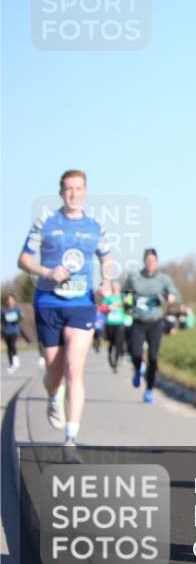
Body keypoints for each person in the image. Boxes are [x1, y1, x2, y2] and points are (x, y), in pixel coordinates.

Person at [18, 169, 113, 460]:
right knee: (54, 374)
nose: (73, 193)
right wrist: (47, 272)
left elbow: (106, 259)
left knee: (74, 368)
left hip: (82, 304)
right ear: (61, 192)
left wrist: (107, 282)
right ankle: (53, 394)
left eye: (78, 188)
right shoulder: (45, 222)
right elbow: (23, 259)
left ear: (86, 192)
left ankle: (70, 441)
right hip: (48, 302)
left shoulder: (95, 227)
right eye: (68, 188)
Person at [123, 248, 180, 403]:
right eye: (148, 260)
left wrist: (171, 297)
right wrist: (127, 303)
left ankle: (149, 390)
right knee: (136, 354)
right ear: (144, 261)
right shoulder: (134, 277)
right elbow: (125, 293)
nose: (150, 263)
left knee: (153, 357)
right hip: (138, 321)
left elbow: (177, 296)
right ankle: (137, 369)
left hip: (155, 322)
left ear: (157, 262)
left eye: (153, 261)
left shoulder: (163, 279)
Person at [99, 282, 127, 372]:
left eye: (117, 288)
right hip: (110, 323)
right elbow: (102, 309)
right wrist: (110, 307)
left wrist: (126, 303)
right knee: (111, 342)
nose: (116, 289)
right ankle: (110, 358)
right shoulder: (109, 298)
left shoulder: (122, 298)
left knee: (118, 342)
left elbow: (130, 306)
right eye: (114, 288)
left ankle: (116, 363)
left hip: (120, 323)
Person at [2, 295, 31, 374]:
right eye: (8, 300)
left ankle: (16, 360)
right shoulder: (4, 310)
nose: (10, 301)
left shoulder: (17, 309)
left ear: (14, 301)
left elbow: (21, 317)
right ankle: (11, 364)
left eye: (11, 300)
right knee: (9, 348)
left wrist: (19, 317)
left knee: (13, 344)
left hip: (14, 330)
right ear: (6, 301)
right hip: (6, 331)